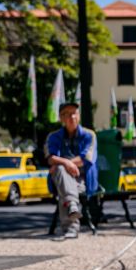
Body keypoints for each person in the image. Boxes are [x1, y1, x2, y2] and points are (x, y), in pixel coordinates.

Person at [46, 101, 97, 240]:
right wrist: (65, 163)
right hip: (61, 177)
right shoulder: (54, 136)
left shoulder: (89, 135)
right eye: (67, 114)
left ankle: (70, 225)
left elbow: (86, 159)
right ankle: (72, 205)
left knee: (62, 176)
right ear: (61, 118)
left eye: (74, 113)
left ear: (78, 116)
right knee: (62, 172)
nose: (71, 117)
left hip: (83, 178)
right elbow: (50, 158)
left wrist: (63, 162)